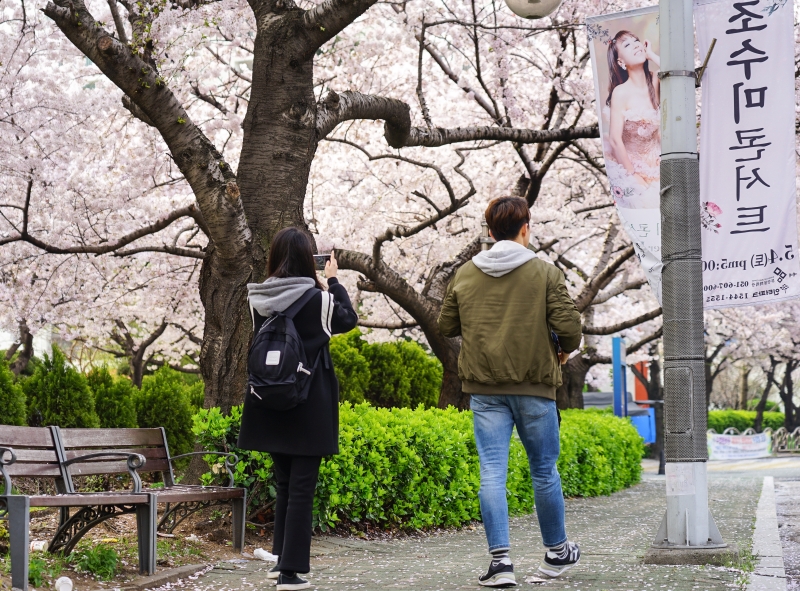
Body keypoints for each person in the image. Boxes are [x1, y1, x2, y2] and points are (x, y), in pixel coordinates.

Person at [438, 196, 583, 587]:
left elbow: (447, 325)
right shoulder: (545, 273)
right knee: (543, 471)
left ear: (488, 232)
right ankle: (556, 552)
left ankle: (501, 564)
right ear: (525, 229)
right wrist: (563, 349)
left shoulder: (465, 274)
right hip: (535, 386)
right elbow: (569, 328)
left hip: (485, 390)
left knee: (492, 474)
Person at [237, 227, 358, 591]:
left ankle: (279, 563)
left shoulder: (258, 298)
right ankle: (290, 574)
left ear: (275, 257)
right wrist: (332, 282)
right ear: (309, 259)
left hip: (270, 399)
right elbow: (347, 320)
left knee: (286, 485)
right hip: (308, 400)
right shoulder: (316, 299)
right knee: (302, 488)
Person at [605, 30, 661, 209]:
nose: (636, 44)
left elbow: (675, 72)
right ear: (621, 62)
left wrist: (651, 55)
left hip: (659, 162)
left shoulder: (655, 80)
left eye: (636, 41)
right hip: (631, 165)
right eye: (627, 45)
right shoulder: (620, 92)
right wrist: (632, 174)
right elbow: (615, 140)